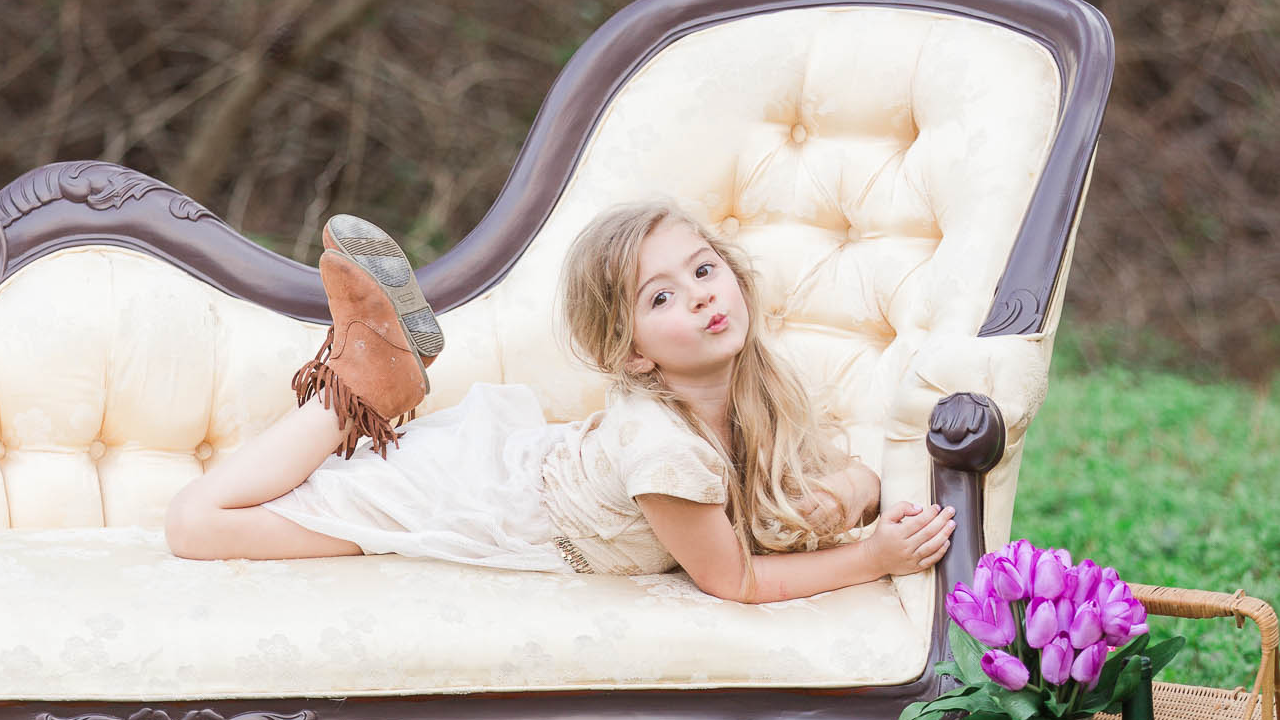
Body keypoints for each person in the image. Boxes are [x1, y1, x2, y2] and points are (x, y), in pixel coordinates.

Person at [164, 202, 954, 602]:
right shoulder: (663, 448)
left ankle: (372, 375)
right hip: (478, 503)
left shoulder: (753, 379)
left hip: (513, 466)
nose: (702, 300)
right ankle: (363, 380)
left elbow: (815, 481)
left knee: (233, 515)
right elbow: (735, 581)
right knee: (196, 525)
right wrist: (870, 555)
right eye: (662, 297)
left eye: (704, 271)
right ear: (634, 350)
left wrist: (854, 489)